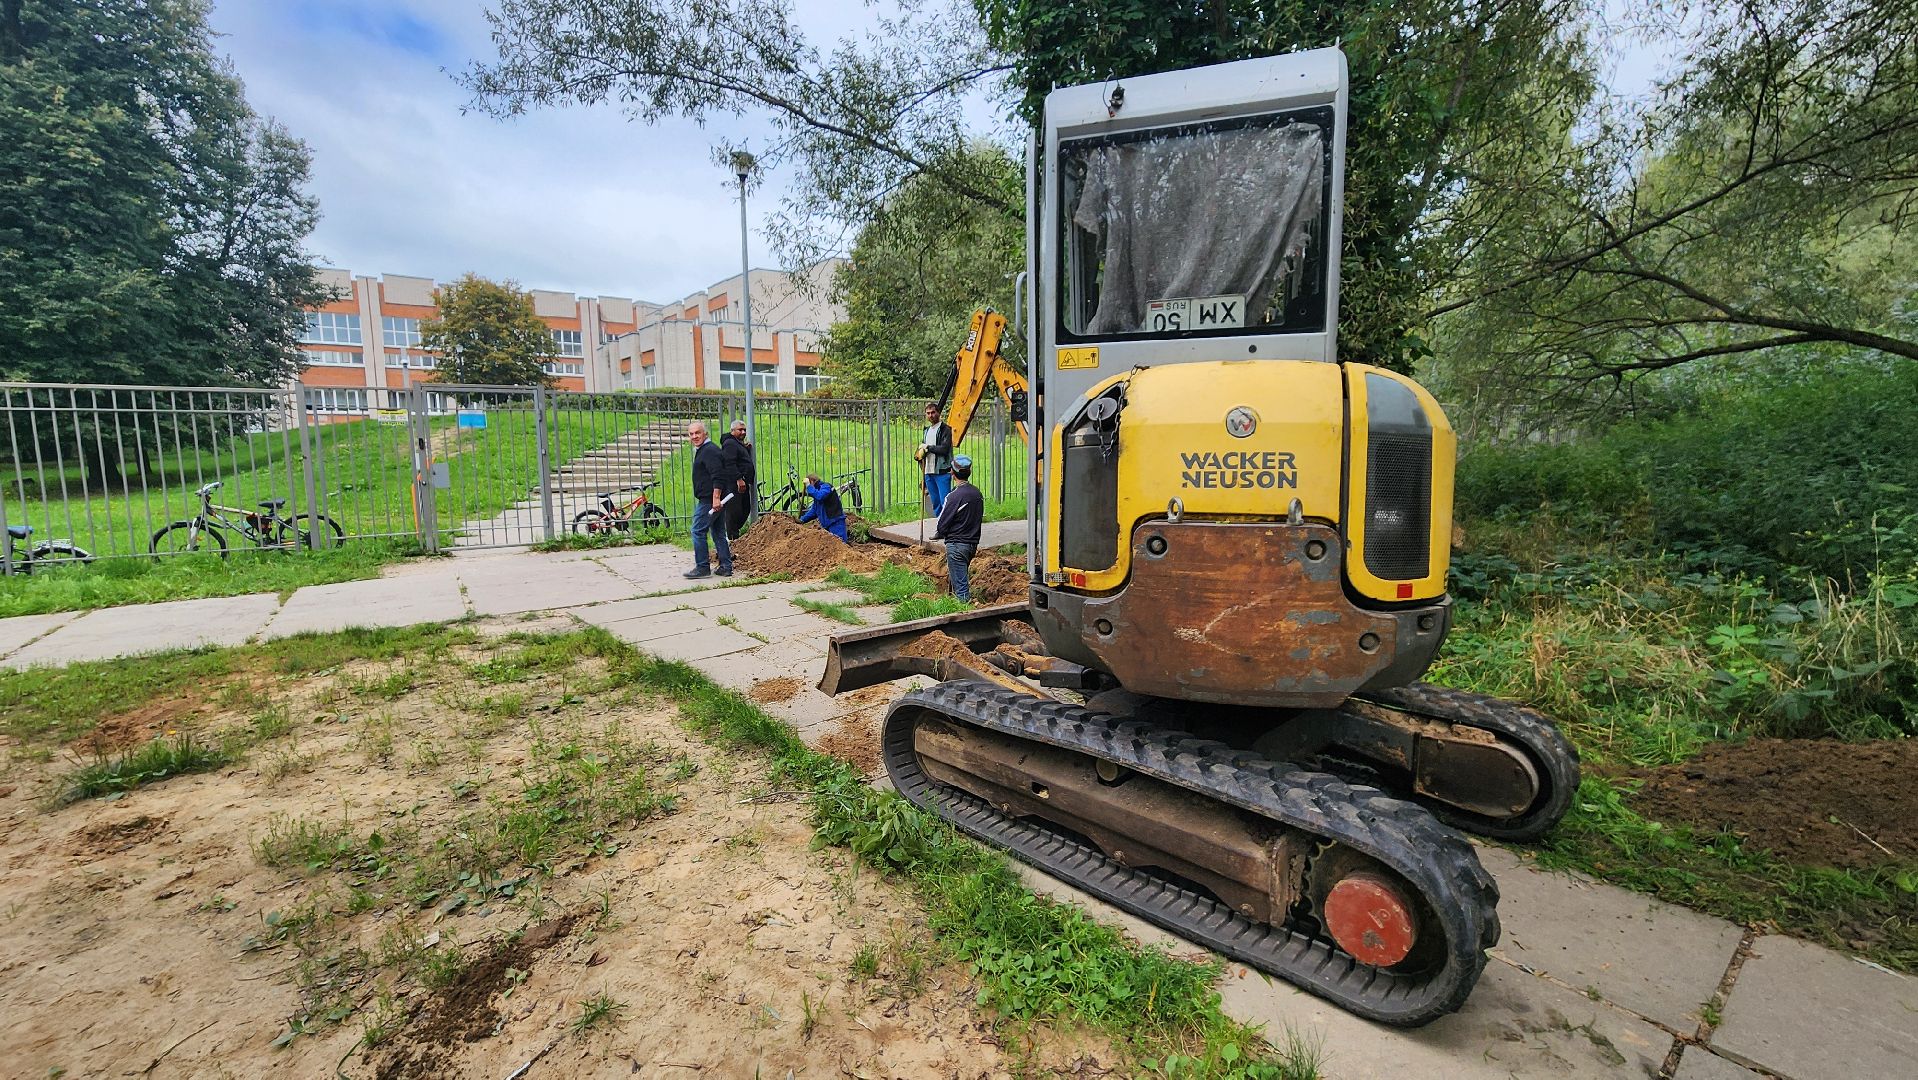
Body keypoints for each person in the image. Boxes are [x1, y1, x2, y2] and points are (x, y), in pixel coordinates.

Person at [684, 421, 733, 578]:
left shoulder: (710, 451)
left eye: (697, 433)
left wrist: (716, 498)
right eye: (691, 434)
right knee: (718, 532)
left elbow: (718, 475)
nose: (694, 436)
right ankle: (726, 566)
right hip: (712, 498)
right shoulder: (704, 450)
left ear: (705, 433)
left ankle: (702, 567)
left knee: (697, 531)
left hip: (709, 500)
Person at [932, 454, 983, 602]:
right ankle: (956, 602)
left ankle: (963, 609)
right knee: (960, 578)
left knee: (961, 589)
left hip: (956, 545)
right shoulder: (977, 493)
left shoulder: (954, 496)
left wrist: (941, 532)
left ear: (952, 473)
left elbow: (942, 525)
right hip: (972, 544)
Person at [719, 419, 756, 540]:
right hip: (733, 484)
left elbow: (739, 458)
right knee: (734, 511)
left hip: (742, 483)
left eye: (744, 430)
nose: (743, 432)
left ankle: (734, 534)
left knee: (744, 509)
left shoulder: (736, 443)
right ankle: (732, 537)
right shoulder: (730, 443)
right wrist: (738, 479)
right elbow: (729, 463)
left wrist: (746, 449)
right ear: (732, 430)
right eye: (740, 430)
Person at [915, 401, 954, 513]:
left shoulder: (945, 429)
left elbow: (944, 449)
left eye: (933, 412)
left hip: (942, 471)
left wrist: (928, 447)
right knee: (935, 502)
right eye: (928, 413)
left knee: (945, 501)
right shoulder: (926, 431)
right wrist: (919, 454)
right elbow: (923, 449)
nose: (931, 415)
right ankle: (938, 521)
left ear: (938, 413)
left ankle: (947, 522)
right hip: (928, 471)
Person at [798, 473, 848, 542]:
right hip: (827, 525)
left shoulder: (826, 487)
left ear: (812, 481)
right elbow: (814, 510)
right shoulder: (817, 491)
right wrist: (802, 520)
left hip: (836, 523)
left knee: (841, 544)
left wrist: (809, 486)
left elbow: (820, 496)